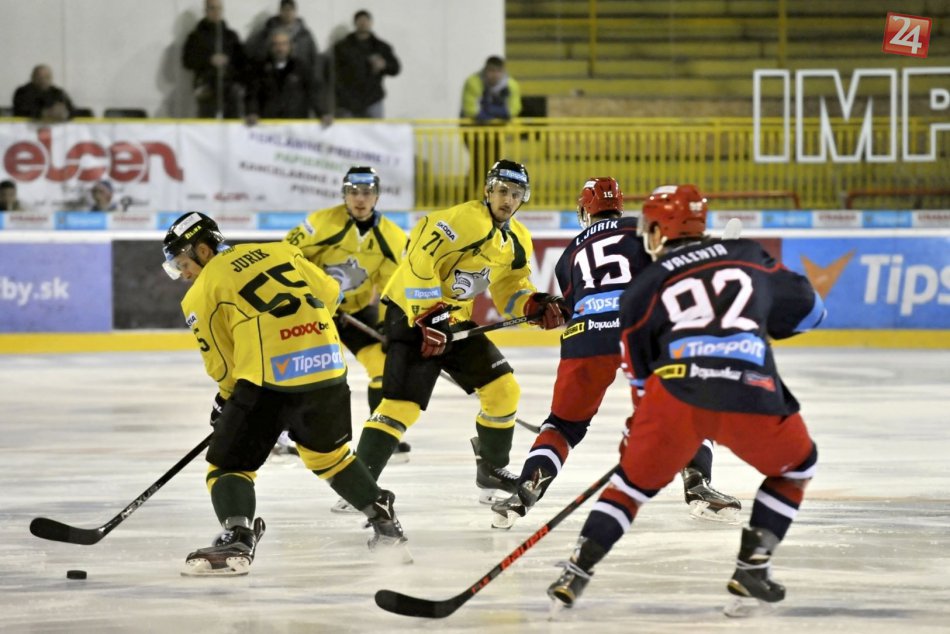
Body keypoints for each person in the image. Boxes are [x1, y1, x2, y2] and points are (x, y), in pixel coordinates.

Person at [546, 185, 824, 617]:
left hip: (675, 398)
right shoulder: (747, 255)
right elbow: (812, 313)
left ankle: (576, 572)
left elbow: (640, 376)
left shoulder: (645, 285)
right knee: (797, 467)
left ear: (658, 230)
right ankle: (754, 563)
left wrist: (638, 434)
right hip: (750, 390)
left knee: (629, 488)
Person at [162, 212, 410, 575]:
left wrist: (226, 402)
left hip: (269, 382)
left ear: (203, 249)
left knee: (229, 465)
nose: (184, 273)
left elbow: (221, 364)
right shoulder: (281, 251)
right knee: (329, 457)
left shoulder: (201, 292)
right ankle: (381, 516)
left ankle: (238, 536)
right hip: (328, 368)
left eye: (184, 263)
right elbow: (331, 294)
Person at [491, 177, 741, 530]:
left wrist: (552, 311)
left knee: (562, 425)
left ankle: (526, 491)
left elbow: (569, 307)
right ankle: (698, 485)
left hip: (585, 338)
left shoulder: (569, 253)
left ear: (584, 209)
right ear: (619, 206)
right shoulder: (642, 228)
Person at [347, 159, 570, 508]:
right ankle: (357, 484)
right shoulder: (464, 220)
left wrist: (532, 304)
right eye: (500, 191)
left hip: (452, 321)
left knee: (503, 390)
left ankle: (492, 470)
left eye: (515, 194)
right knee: (401, 406)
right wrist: (426, 313)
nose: (507, 200)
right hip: (410, 314)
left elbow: (510, 288)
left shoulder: (517, 240)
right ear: (487, 191)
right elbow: (420, 259)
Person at [278, 166, 411, 463]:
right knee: (304, 371)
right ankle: (285, 433)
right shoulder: (320, 223)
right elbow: (284, 256)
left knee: (383, 366)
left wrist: (393, 325)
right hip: (314, 312)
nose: (359, 199)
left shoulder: (392, 237)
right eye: (353, 192)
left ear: (376, 196)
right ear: (344, 194)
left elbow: (391, 289)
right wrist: (312, 295)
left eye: (366, 192)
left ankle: (383, 434)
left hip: (356, 311)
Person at [460, 57, 522, 196]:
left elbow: (513, 111)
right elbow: (472, 111)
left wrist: (487, 112)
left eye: (498, 71)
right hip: (473, 131)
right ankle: (468, 198)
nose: (494, 75)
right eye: (491, 71)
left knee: (492, 164)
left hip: (495, 132)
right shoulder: (473, 82)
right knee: (477, 163)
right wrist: (498, 113)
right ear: (485, 71)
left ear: (503, 72)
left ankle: (488, 198)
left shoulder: (511, 85)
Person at [244, 28, 331, 125]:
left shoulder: (301, 68)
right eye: (276, 44)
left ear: (290, 46)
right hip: (268, 126)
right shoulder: (260, 69)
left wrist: (323, 112)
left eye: (284, 44)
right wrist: (252, 112)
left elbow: (315, 91)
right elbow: (253, 94)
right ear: (270, 47)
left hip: (297, 125)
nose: (280, 48)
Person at [182, 0, 248, 119]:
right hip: (206, 85)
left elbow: (242, 61)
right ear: (205, 11)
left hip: (229, 85)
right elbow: (187, 61)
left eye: (218, 8)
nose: (216, 12)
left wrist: (228, 62)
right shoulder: (196, 36)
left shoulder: (231, 35)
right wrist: (209, 60)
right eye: (212, 8)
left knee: (233, 124)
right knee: (207, 125)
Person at [332, 10, 400, 119]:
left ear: (371, 23)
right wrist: (340, 95)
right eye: (360, 20)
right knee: (347, 135)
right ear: (355, 23)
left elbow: (396, 69)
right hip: (347, 102)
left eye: (366, 20)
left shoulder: (381, 46)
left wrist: (384, 65)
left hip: (373, 100)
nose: (363, 23)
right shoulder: (342, 47)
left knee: (376, 134)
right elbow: (333, 73)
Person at [245, 0, 320, 74]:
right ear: (280, 11)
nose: (288, 13)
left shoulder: (305, 35)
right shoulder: (267, 32)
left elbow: (314, 59)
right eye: (285, 9)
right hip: (272, 76)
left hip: (300, 78)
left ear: (295, 11)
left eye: (290, 10)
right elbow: (257, 54)